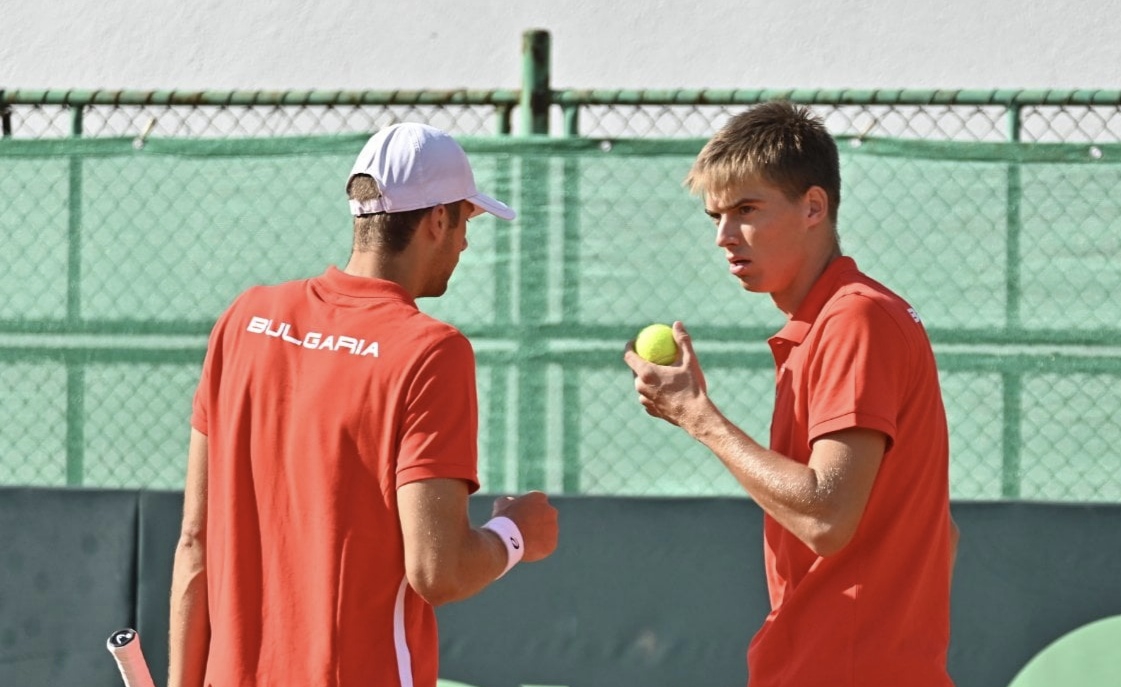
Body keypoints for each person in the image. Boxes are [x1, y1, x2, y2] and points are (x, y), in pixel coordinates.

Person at [168, 122, 560, 687]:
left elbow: (193, 541)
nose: (466, 243)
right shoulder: (432, 351)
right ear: (437, 219)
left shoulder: (244, 317)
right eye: (466, 221)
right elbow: (438, 571)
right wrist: (515, 534)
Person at [623, 101, 958, 687]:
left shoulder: (854, 320)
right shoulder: (835, 320)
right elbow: (941, 535)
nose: (725, 237)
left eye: (747, 210)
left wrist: (699, 418)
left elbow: (827, 516)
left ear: (813, 206)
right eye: (715, 217)